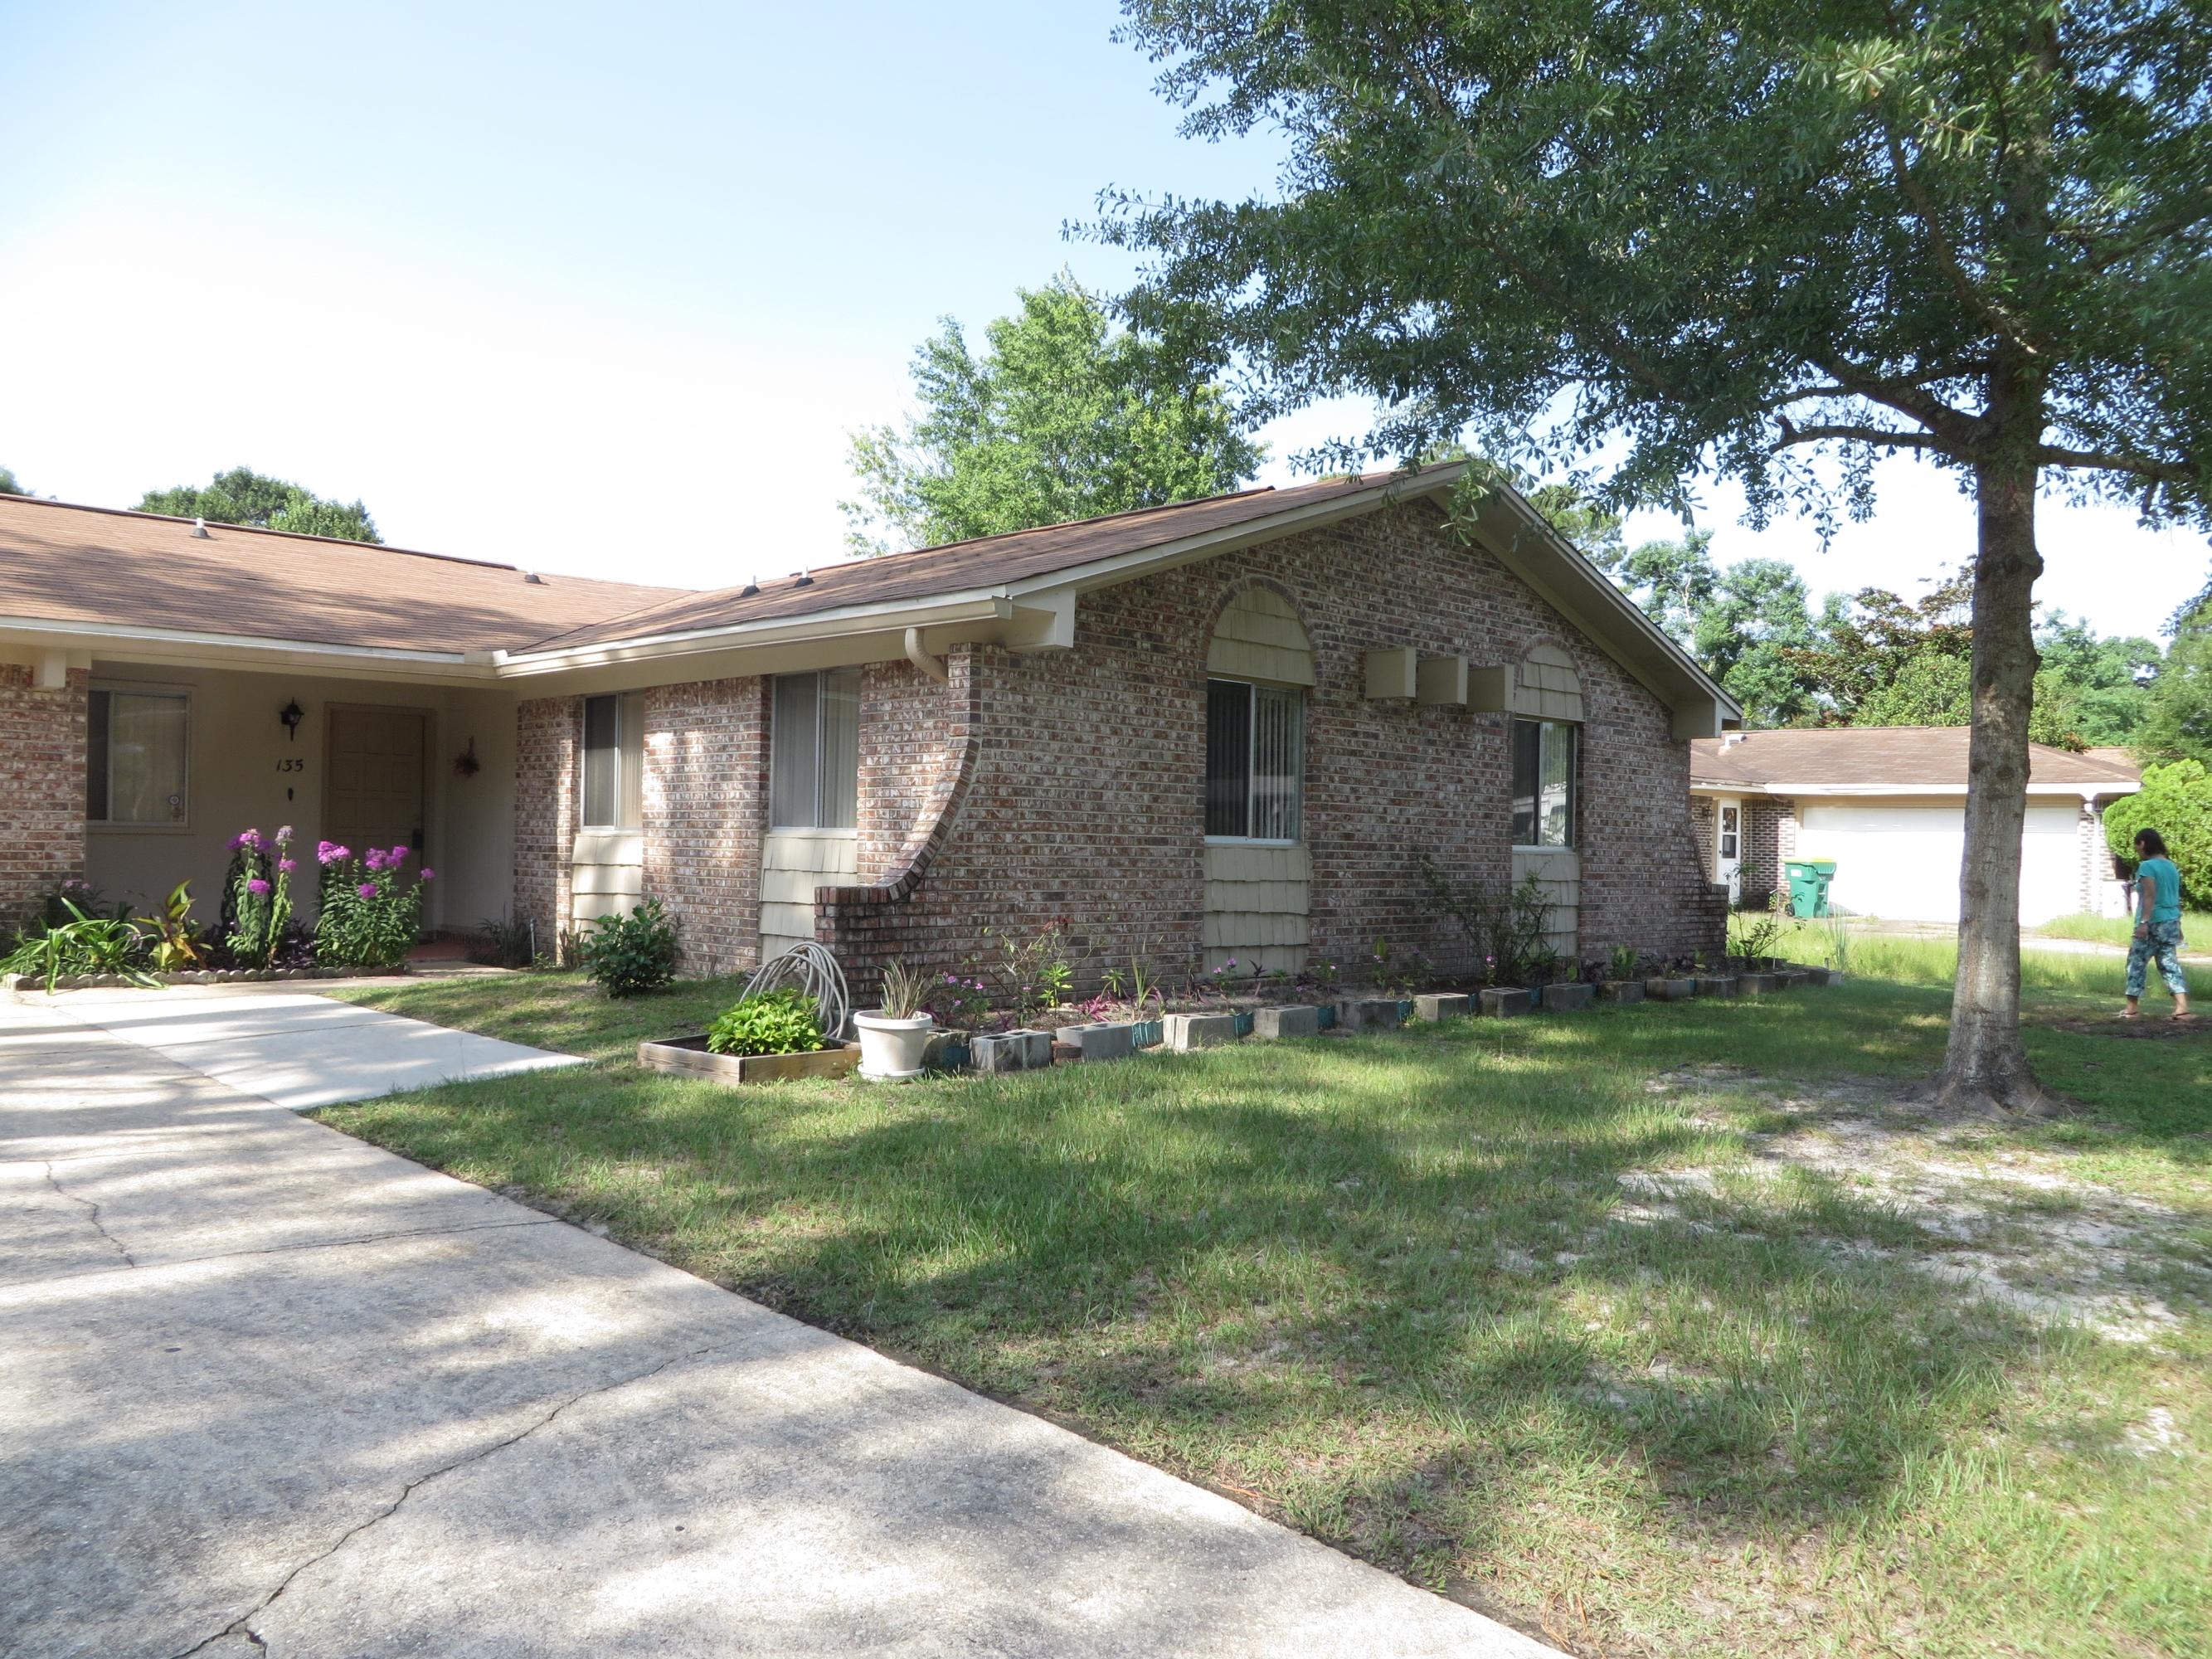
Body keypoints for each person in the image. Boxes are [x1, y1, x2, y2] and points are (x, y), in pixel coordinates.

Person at [2123, 828, 2191, 1020]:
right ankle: (2182, 1008)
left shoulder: (2147, 867)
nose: (2137, 851)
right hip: (2170, 921)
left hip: (2153, 921)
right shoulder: (2171, 866)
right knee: (2169, 964)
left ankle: (2131, 1008)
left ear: (2143, 843)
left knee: (2136, 963)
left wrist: (2143, 923)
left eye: (2137, 846)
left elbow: (2150, 896)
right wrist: (2178, 925)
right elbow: (2175, 898)